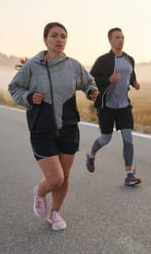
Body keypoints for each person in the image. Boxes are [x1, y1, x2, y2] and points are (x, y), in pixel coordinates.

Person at [8, 22, 99, 231]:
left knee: (65, 176)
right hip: (42, 128)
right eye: (54, 36)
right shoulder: (32, 66)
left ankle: (55, 213)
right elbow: (14, 88)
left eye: (63, 36)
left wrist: (91, 91)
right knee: (55, 178)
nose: (59, 40)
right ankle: (40, 193)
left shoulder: (73, 65)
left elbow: (88, 82)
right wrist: (29, 97)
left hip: (68, 127)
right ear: (45, 40)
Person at [85, 27, 142, 186]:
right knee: (105, 138)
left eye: (122, 37)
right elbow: (91, 79)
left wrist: (134, 83)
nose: (120, 40)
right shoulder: (103, 60)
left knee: (128, 138)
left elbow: (130, 74)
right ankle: (91, 154)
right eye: (117, 37)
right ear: (110, 40)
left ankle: (128, 174)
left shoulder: (129, 59)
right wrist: (109, 79)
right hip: (107, 105)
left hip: (123, 106)